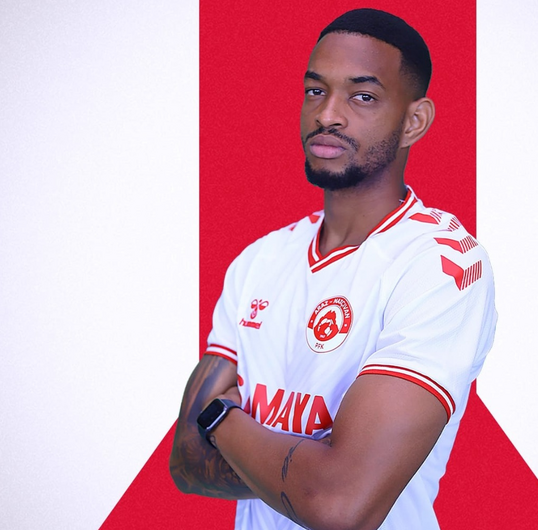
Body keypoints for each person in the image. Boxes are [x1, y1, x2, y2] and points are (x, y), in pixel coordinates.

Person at [169, 8, 497, 530]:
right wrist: (316, 461)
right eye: (315, 90)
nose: (327, 115)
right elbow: (187, 463)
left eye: (362, 96)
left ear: (414, 121)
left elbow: (340, 505)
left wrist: (220, 419)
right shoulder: (259, 260)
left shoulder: (438, 264)